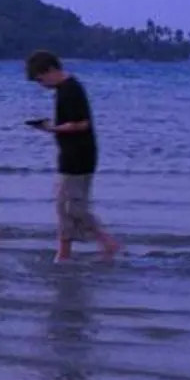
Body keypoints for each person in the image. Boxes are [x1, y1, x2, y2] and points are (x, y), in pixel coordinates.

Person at [25, 50, 123, 262]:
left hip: (78, 156)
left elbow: (82, 123)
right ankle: (63, 254)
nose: (41, 85)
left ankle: (108, 243)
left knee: (74, 207)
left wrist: (51, 129)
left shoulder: (71, 89)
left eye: (41, 79)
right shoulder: (63, 90)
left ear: (50, 70)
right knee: (63, 207)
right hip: (70, 154)